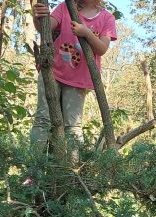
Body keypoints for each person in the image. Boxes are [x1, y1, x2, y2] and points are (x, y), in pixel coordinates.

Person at [31, 0, 117, 162]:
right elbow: (46, 28)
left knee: (73, 125)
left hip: (79, 80)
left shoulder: (107, 18)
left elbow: (102, 48)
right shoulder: (65, 7)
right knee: (43, 119)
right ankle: (34, 168)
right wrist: (38, 18)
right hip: (52, 71)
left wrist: (87, 33)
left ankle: (72, 170)